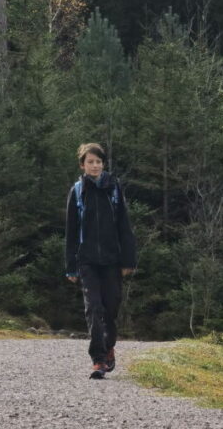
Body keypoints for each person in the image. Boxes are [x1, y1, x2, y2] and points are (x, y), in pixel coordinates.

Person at [65, 141, 136, 379]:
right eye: (90, 162)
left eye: (98, 161)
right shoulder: (77, 191)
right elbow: (71, 232)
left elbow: (124, 226)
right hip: (86, 261)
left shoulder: (114, 188)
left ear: (103, 164)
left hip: (112, 260)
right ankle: (98, 359)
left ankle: (109, 346)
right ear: (82, 165)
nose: (94, 166)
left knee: (111, 307)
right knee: (93, 308)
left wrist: (128, 261)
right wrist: (70, 266)